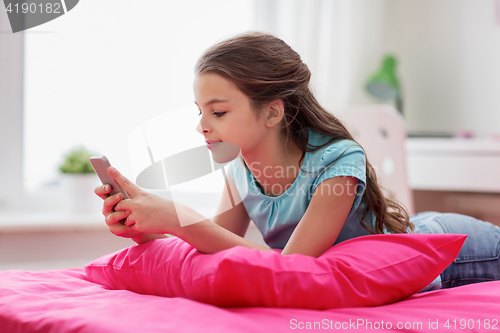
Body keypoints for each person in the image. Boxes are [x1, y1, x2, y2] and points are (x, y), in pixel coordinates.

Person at [95, 32, 500, 289]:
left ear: (272, 113)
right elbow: (215, 253)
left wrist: (180, 216)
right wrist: (146, 227)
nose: (202, 125)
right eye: (199, 111)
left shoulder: (338, 161)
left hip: (459, 249)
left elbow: (291, 268)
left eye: (217, 112)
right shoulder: (240, 169)